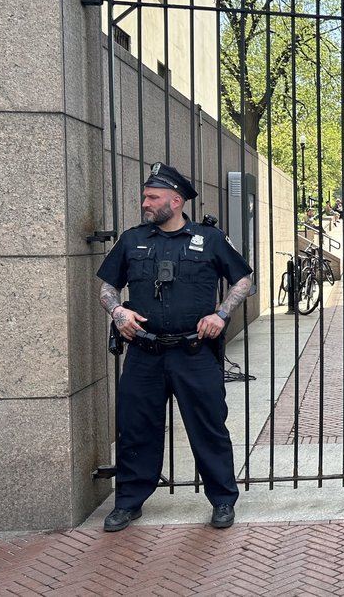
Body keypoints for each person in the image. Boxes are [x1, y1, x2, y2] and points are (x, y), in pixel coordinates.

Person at [96, 162, 253, 532]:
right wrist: (117, 311)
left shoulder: (210, 239)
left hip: (194, 353)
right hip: (144, 354)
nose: (145, 203)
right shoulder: (132, 240)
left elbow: (243, 279)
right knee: (136, 429)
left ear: (176, 200)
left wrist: (221, 314)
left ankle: (223, 500)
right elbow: (107, 287)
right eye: (145, 196)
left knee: (209, 427)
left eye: (153, 197)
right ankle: (128, 503)